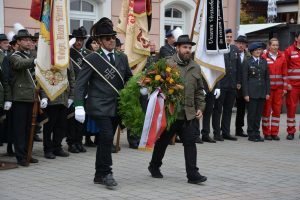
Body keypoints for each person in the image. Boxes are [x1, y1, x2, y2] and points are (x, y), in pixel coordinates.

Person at [74, 19, 132, 189]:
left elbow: (128, 77)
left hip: (116, 105)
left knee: (105, 140)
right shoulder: (92, 59)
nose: (111, 40)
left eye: (113, 37)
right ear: (99, 41)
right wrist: (78, 105)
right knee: (107, 136)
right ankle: (107, 172)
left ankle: (98, 174)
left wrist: (139, 87)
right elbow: (80, 84)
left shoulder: (122, 57)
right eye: (107, 38)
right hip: (99, 105)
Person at [148, 35, 207, 184]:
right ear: (177, 48)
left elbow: (199, 91)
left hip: (189, 114)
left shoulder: (195, 66)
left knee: (190, 143)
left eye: (189, 48)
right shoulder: (167, 64)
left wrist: (200, 107)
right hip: (170, 113)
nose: (188, 50)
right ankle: (154, 166)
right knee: (162, 142)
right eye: (185, 47)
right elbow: (156, 86)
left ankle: (192, 174)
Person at [9, 29, 39, 166]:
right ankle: (20, 156)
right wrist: (36, 61)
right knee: (20, 129)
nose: (28, 42)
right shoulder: (14, 56)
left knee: (30, 128)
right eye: (25, 40)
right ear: (18, 42)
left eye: (30, 40)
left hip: (31, 96)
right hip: (20, 97)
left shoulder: (30, 55)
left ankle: (28, 153)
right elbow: (19, 65)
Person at [40, 65, 75, 159]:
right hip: (51, 97)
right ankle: (47, 149)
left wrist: (71, 96)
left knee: (61, 126)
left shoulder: (67, 58)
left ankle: (57, 147)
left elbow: (71, 78)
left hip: (64, 98)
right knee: (49, 126)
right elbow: (43, 79)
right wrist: (43, 96)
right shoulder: (48, 56)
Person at [212, 28, 241, 141]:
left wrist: (238, 82)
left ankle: (226, 132)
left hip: (232, 84)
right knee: (218, 109)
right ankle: (216, 133)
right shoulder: (219, 49)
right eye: (227, 36)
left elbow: (238, 67)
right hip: (221, 84)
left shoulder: (235, 49)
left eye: (230, 37)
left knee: (228, 110)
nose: (229, 38)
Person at [68, 26, 91, 153]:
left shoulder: (87, 53)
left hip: (86, 90)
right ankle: (71, 143)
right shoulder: (69, 53)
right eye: (77, 40)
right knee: (73, 118)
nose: (79, 42)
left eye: (81, 40)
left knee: (83, 119)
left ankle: (79, 141)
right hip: (74, 89)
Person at [261, 38, 288, 141]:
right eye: (273, 45)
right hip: (268, 90)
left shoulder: (282, 57)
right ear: (269, 46)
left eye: (277, 45)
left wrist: (285, 87)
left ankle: (274, 133)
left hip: (279, 90)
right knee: (266, 111)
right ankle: (266, 133)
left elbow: (285, 74)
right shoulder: (264, 57)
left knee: (277, 112)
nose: (275, 47)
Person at [243, 42, 270, 142]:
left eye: (260, 50)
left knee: (258, 114)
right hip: (252, 92)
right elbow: (244, 79)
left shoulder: (264, 61)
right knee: (252, 114)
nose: (259, 52)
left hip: (262, 92)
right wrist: (245, 94)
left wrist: (267, 92)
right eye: (256, 50)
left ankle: (257, 132)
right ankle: (251, 133)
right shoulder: (247, 62)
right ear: (252, 52)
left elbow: (267, 78)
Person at [284, 31, 300, 140]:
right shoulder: (289, 50)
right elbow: (284, 69)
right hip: (293, 86)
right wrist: (287, 83)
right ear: (296, 38)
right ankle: (291, 132)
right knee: (291, 108)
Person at [234, 35, 250, 137]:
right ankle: (223, 129)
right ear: (236, 44)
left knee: (241, 109)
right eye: (239, 43)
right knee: (226, 109)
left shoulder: (249, 55)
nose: (240, 45)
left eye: (243, 44)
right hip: (232, 84)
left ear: (245, 45)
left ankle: (239, 129)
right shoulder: (231, 53)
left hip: (244, 86)